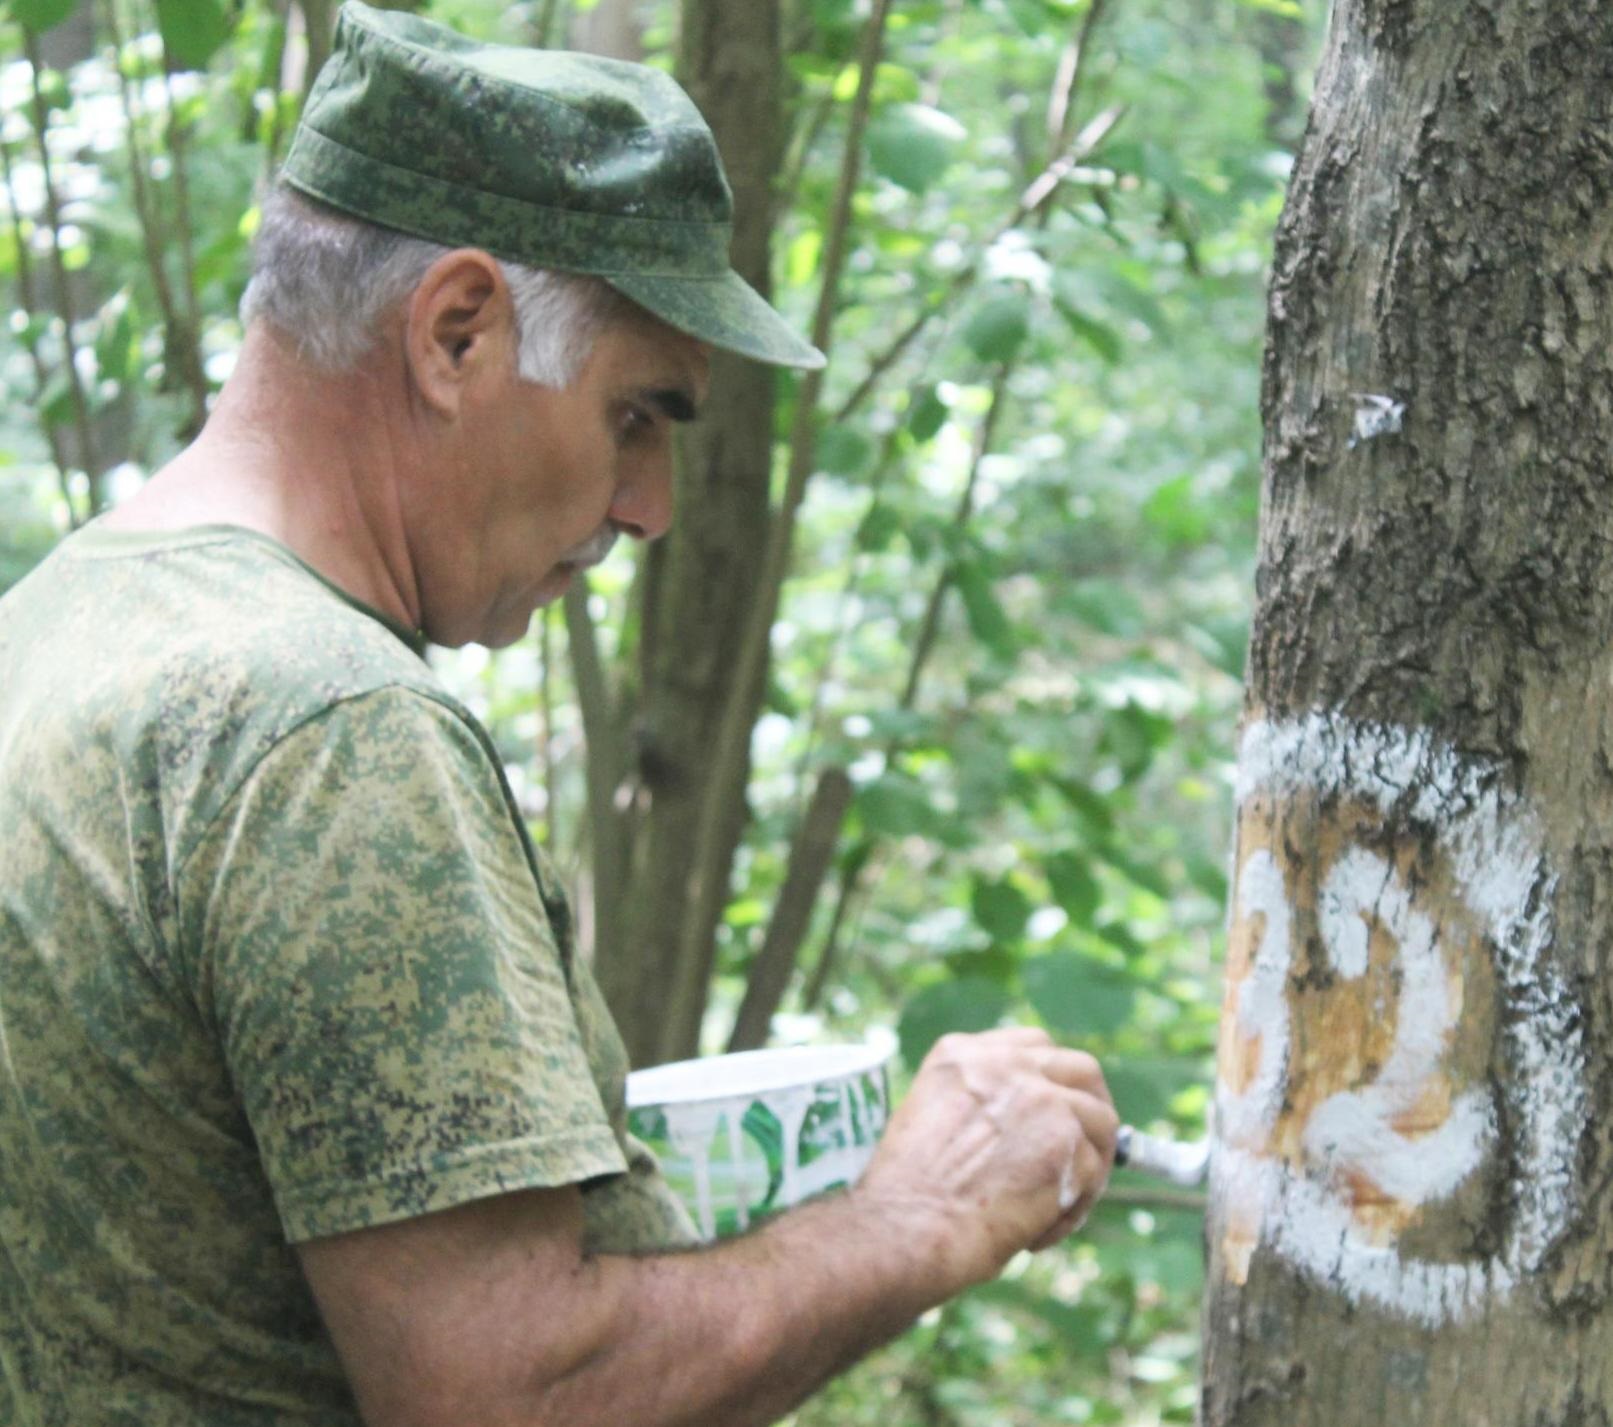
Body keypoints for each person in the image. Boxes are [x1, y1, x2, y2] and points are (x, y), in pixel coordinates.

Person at [0, 4, 1118, 1422]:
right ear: (457, 333)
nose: (649, 509)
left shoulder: (54, 621)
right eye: (636, 417)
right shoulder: (330, 728)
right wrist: (926, 1213)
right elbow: (514, 1394)